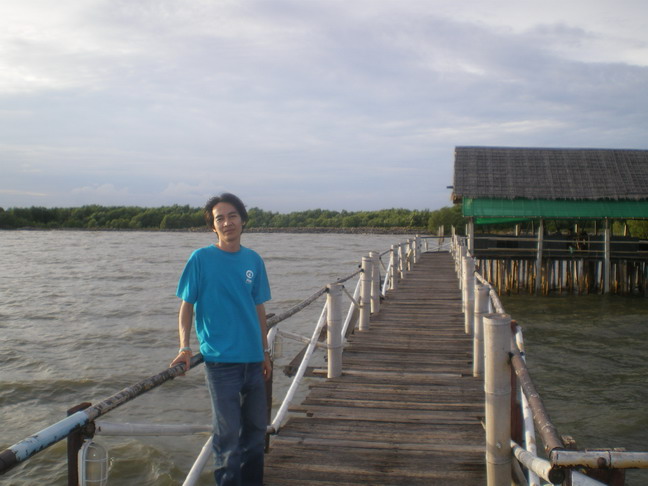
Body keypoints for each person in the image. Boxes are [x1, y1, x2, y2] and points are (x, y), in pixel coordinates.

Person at [170, 192, 272, 486]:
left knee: (254, 435)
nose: (227, 223)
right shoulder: (201, 258)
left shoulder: (254, 259)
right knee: (227, 440)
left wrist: (265, 352)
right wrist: (184, 347)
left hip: (253, 361)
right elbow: (186, 306)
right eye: (220, 218)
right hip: (220, 363)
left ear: (243, 220)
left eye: (232, 216)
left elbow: (258, 307)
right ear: (213, 226)